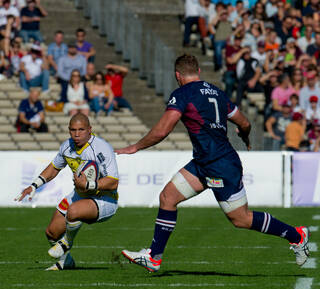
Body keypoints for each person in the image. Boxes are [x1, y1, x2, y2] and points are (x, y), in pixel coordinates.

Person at [116, 54, 310, 272]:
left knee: (241, 219)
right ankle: (154, 257)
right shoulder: (217, 92)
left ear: (177, 75)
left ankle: (297, 235)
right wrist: (245, 135)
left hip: (219, 164)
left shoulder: (182, 93)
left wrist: (135, 147)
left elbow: (162, 130)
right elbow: (244, 122)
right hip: (204, 162)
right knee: (168, 197)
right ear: (198, 71)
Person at [15, 113, 119, 271]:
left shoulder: (101, 148)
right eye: (73, 130)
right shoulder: (67, 146)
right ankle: (66, 261)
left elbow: (113, 182)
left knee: (73, 211)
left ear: (90, 130)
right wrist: (34, 185)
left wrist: (89, 185)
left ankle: (67, 243)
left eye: (81, 130)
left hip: (104, 199)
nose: (76, 134)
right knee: (51, 232)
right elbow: (54, 168)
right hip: (80, 194)